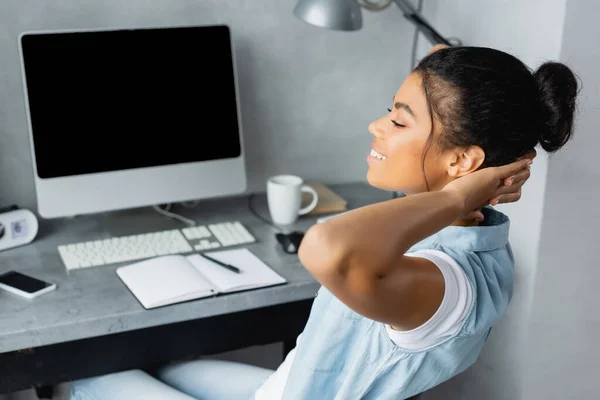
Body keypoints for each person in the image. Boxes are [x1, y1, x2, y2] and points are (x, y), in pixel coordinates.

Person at [70, 44, 578, 399]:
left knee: (89, 379)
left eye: (400, 120)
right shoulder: (475, 231)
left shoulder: (448, 284)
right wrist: (460, 186)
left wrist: (457, 193)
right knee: (163, 362)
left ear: (464, 163)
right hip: (287, 388)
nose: (376, 127)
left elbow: (325, 248)